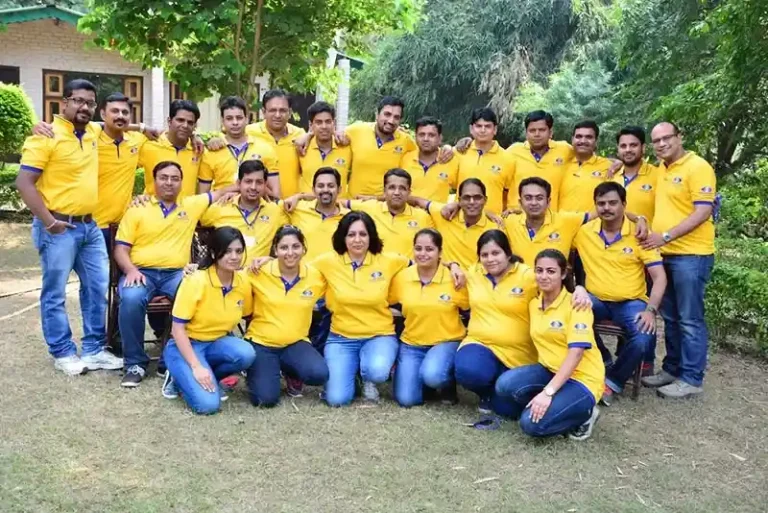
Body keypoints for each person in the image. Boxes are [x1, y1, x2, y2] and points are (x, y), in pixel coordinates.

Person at [16, 78, 122, 375]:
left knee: (97, 287)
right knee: (55, 293)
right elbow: (24, 183)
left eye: (90, 103)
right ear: (64, 102)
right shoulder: (45, 136)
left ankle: (93, 349)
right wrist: (49, 222)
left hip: (90, 227)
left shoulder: (92, 132)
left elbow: (121, 125)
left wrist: (148, 128)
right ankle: (62, 352)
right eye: (78, 101)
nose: (84, 107)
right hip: (58, 227)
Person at [308, 211, 463, 406]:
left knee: (377, 371)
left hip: (379, 335)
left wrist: (454, 265)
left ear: (371, 236)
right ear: (343, 237)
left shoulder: (389, 260)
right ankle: (352, 378)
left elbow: (424, 260)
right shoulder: (327, 262)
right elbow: (296, 269)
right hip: (341, 338)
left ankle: (368, 377)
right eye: (351, 234)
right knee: (337, 399)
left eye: (363, 234)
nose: (357, 240)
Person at [114, 161, 234, 388]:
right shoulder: (138, 209)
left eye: (175, 178)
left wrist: (243, 188)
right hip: (142, 272)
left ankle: (170, 358)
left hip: (176, 273)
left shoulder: (191, 204)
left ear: (181, 182)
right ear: (154, 181)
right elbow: (121, 249)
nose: (169, 182)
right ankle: (135, 364)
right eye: (164, 177)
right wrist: (130, 270)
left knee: (197, 293)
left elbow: (222, 191)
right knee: (131, 298)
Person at [640, 122, 716, 399]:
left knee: (690, 319)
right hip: (665, 255)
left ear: (679, 137)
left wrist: (666, 236)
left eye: (666, 138)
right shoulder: (661, 168)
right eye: (656, 141)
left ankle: (691, 378)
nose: (661, 144)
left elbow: (703, 212)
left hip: (691, 255)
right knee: (671, 318)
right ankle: (671, 369)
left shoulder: (698, 167)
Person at [573, 182, 667, 405]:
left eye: (613, 203)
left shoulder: (640, 235)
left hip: (631, 303)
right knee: (569, 314)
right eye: (601, 203)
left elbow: (660, 277)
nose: (607, 208)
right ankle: (604, 359)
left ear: (624, 204)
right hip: (595, 300)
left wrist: (650, 311)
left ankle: (612, 381)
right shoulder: (584, 232)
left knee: (643, 337)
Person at [495, 249, 604, 440]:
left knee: (530, 425)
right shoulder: (534, 304)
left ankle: (585, 414)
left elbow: (576, 353)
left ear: (563, 274)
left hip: (582, 378)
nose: (544, 276)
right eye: (539, 270)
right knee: (504, 386)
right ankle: (555, 405)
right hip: (549, 370)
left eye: (551, 271)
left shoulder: (578, 305)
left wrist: (548, 392)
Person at [163, 227, 256, 414]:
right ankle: (177, 376)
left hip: (218, 342)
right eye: (227, 251)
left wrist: (267, 260)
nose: (234, 257)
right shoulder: (195, 280)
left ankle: (210, 377)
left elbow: (247, 313)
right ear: (214, 253)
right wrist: (196, 367)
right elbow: (177, 329)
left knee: (246, 353)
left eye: (239, 251)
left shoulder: (243, 281)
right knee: (208, 406)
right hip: (188, 345)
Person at [453, 230, 539, 426]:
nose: (490, 259)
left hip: (519, 353)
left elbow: (557, 286)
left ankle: (500, 389)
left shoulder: (527, 276)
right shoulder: (474, 273)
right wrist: (453, 265)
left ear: (508, 253)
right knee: (468, 370)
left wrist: (579, 289)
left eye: (496, 253)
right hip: (480, 343)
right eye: (484, 255)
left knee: (508, 411)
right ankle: (487, 392)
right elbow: (445, 264)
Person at [244, 226, 329, 406]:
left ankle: (290, 372)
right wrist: (194, 269)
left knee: (319, 374)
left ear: (304, 249)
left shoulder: (316, 276)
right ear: (275, 250)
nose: (290, 253)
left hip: (295, 343)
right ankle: (259, 370)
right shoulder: (258, 271)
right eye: (284, 247)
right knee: (265, 400)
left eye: (296, 246)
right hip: (262, 343)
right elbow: (229, 276)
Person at [389, 229, 468, 407]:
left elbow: (468, 310)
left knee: (433, 375)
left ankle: (446, 383)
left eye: (429, 249)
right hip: (412, 344)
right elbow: (390, 303)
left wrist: (453, 265)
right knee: (407, 400)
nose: (423, 254)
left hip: (446, 341)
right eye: (418, 248)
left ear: (440, 252)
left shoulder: (455, 279)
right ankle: (425, 383)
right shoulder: (402, 277)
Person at [200, 159, 289, 262]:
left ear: (265, 184)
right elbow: (194, 220)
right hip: (227, 270)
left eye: (259, 182)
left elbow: (304, 207)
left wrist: (300, 196)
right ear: (239, 183)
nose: (253, 187)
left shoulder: (276, 211)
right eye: (248, 181)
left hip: (258, 270)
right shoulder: (220, 207)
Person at [199, 95, 281, 196]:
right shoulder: (211, 152)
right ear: (222, 121)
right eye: (229, 118)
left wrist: (249, 189)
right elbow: (203, 197)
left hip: (257, 205)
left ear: (246, 119)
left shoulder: (265, 149)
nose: (235, 122)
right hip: (222, 205)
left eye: (239, 118)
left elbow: (275, 196)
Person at [341, 96, 418, 197]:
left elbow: (426, 153)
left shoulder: (406, 141)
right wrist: (338, 134)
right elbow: (331, 134)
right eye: (387, 114)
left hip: (386, 204)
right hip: (354, 202)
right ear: (377, 114)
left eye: (396, 117)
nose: (391, 121)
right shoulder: (356, 131)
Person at [347, 169, 434, 257]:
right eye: (392, 187)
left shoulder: (423, 217)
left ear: (409, 192)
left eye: (402, 188)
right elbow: (340, 203)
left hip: (408, 265)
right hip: (375, 265)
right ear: (384, 191)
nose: (397, 193)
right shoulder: (369, 207)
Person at [415, 178, 498, 268]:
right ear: (459, 200)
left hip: (476, 276)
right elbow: (415, 201)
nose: (472, 202)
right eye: (466, 198)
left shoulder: (495, 227)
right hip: (445, 274)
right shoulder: (445, 213)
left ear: (485, 200)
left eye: (477, 197)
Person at [504, 177, 589, 265]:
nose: (534, 203)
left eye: (539, 198)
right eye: (528, 198)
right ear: (520, 202)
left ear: (548, 201)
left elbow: (596, 214)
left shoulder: (566, 221)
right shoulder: (509, 222)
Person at [506, 110, 573, 211]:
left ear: (550, 132)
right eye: (532, 130)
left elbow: (586, 157)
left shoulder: (565, 150)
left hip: (551, 217)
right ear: (526, 133)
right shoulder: (513, 151)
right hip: (517, 217)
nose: (537, 134)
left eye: (542, 130)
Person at [245, 89, 306, 198]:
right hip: (258, 204)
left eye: (283, 110)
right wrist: (215, 140)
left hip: (293, 204)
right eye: (273, 110)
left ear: (290, 112)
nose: (277, 115)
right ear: (264, 112)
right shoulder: (248, 132)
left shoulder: (300, 135)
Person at [140, 99, 205, 200]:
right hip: (153, 208)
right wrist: (141, 127)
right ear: (169, 121)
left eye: (190, 122)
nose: (185, 125)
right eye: (180, 120)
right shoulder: (149, 145)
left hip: (186, 209)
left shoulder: (198, 149)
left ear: (194, 126)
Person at [456, 108, 516, 214]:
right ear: (471, 129)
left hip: (492, 220)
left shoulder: (508, 159)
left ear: (495, 129)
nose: (483, 130)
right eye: (478, 126)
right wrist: (447, 147)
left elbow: (508, 193)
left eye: (487, 126)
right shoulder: (459, 152)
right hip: (461, 219)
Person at [298, 101, 352, 198]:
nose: (324, 126)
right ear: (311, 125)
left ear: (334, 123)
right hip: (308, 206)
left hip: (339, 206)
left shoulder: (347, 147)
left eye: (328, 121)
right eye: (319, 122)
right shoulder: (302, 148)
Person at [399, 116, 459, 203]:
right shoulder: (405, 159)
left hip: (437, 211)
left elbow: (464, 189)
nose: (426, 139)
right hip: (407, 211)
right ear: (415, 137)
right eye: (421, 134)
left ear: (440, 138)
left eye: (431, 135)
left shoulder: (451, 161)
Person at [558, 121, 613, 213]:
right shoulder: (561, 164)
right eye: (579, 136)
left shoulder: (608, 166)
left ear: (596, 141)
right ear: (572, 139)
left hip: (592, 222)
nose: (583, 141)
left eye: (589, 137)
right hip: (561, 221)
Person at [612, 126, 661, 223]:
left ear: (643, 148)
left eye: (633, 145)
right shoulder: (610, 176)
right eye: (623, 146)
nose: (628, 150)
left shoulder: (659, 175)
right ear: (618, 149)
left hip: (648, 232)